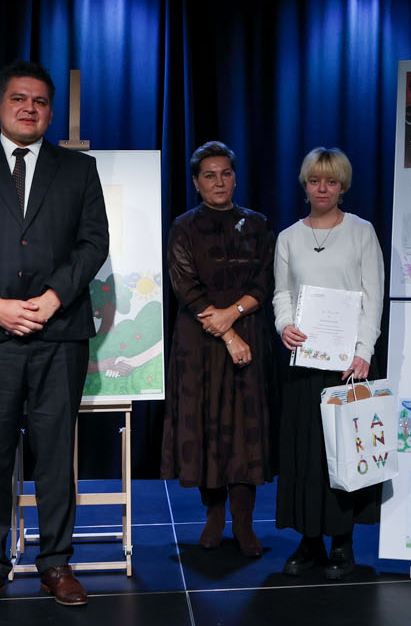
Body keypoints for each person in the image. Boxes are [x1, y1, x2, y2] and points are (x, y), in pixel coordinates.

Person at [0, 59, 109, 613]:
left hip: (59, 333)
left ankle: (56, 562)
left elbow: (93, 243)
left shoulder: (78, 170)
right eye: (18, 98)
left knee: (55, 455)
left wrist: (54, 298)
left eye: (39, 101)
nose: (29, 108)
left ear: (50, 112)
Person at [273, 147, 385, 579]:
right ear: (305, 186)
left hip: (348, 363)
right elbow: (282, 293)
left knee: (343, 451)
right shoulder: (289, 237)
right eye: (315, 181)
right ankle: (308, 541)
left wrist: (363, 351)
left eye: (331, 181)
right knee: (305, 453)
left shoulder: (361, 232)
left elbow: (372, 295)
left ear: (343, 186)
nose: (323, 188)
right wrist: (284, 325)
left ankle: (342, 541)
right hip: (303, 361)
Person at [161, 141, 275, 556]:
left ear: (235, 177)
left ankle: (244, 525)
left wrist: (235, 314)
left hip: (249, 337)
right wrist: (226, 331)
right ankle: (213, 518)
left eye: (225, 173)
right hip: (201, 341)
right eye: (209, 175)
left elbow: (266, 280)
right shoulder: (183, 227)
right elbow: (185, 287)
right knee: (207, 428)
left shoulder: (257, 224)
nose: (219, 182)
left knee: (246, 433)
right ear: (196, 182)